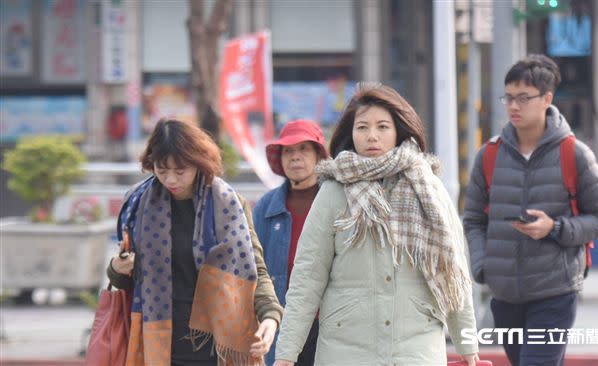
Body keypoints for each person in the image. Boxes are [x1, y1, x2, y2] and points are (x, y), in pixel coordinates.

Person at [273, 83, 480, 366]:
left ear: (399, 131)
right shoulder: (333, 192)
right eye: (362, 127)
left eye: (382, 127)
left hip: (416, 349)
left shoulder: (429, 188)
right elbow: (307, 278)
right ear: (351, 133)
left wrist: (468, 347)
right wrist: (286, 354)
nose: (372, 136)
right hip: (346, 351)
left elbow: (454, 272)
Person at [463, 54, 598, 366]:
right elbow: (474, 220)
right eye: (509, 97)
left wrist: (555, 228)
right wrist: (483, 265)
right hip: (504, 295)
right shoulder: (489, 156)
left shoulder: (574, 154)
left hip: (554, 292)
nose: (514, 106)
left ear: (547, 98)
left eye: (523, 98)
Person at [106, 119, 283, 365]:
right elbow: (125, 279)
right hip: (158, 344)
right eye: (161, 169)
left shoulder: (229, 205)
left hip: (218, 346)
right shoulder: (138, 205)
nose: (170, 180)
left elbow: (254, 268)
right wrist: (116, 268)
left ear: (199, 164)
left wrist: (270, 316)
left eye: (180, 171)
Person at [253, 119, 329, 366]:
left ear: (319, 156)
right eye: (288, 151)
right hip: (281, 323)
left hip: (329, 323)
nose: (295, 157)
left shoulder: (336, 201)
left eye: (304, 149)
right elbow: (252, 266)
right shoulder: (266, 207)